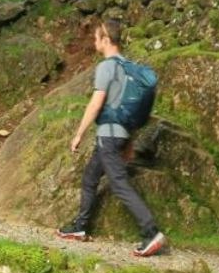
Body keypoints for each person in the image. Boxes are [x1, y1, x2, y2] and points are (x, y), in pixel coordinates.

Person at [56, 18, 167, 257]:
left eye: (96, 38)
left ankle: (151, 232)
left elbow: (97, 103)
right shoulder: (127, 67)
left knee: (118, 183)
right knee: (90, 177)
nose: (94, 42)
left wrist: (78, 134)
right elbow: (126, 107)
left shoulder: (106, 67)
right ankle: (80, 226)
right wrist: (127, 141)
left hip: (108, 136)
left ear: (106, 40)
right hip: (116, 136)